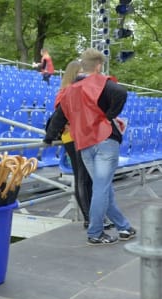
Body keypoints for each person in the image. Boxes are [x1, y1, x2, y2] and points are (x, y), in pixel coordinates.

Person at [43, 48, 136, 245]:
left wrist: (49, 137)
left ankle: (124, 227)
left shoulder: (70, 90)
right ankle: (95, 232)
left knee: (103, 188)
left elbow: (58, 117)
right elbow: (121, 92)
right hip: (104, 140)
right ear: (99, 65)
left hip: (84, 143)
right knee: (102, 187)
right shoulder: (103, 83)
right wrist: (109, 115)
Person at [45, 61, 115, 230]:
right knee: (82, 177)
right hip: (72, 137)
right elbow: (61, 116)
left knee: (89, 178)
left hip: (84, 136)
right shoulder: (66, 92)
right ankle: (89, 219)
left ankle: (96, 217)